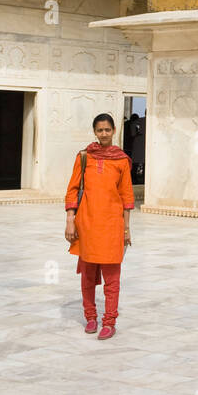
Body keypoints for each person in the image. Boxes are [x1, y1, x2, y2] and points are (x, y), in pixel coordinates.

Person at [65, 113, 135, 340]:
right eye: (99, 130)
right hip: (86, 224)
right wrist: (70, 220)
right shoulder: (84, 157)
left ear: (114, 131)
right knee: (87, 276)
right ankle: (91, 317)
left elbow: (126, 197)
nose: (104, 134)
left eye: (107, 130)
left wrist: (126, 229)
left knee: (112, 279)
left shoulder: (121, 160)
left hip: (111, 226)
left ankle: (109, 321)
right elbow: (73, 190)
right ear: (94, 132)